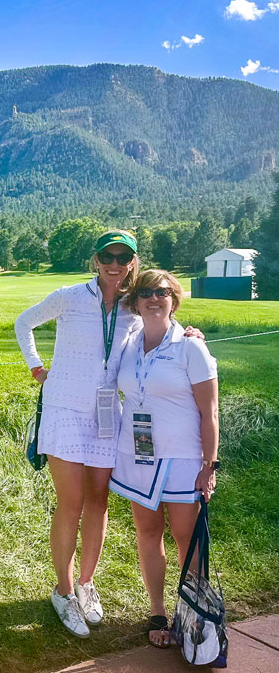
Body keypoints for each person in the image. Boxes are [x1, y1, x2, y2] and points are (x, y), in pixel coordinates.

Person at [15, 230, 142, 638]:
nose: (114, 264)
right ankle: (64, 591)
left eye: (122, 257)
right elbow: (24, 322)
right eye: (108, 256)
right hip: (64, 409)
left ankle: (87, 584)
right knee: (71, 502)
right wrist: (36, 367)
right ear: (96, 259)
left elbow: (157, 332)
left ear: (132, 262)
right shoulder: (69, 296)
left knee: (98, 502)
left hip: (106, 413)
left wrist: (188, 335)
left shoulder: (134, 306)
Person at [109, 270, 218, 647]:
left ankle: (194, 615)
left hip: (183, 459)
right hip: (138, 456)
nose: (153, 299)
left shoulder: (191, 347)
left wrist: (209, 465)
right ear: (135, 301)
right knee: (148, 532)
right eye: (145, 292)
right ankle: (157, 612)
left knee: (186, 537)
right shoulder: (128, 343)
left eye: (162, 292)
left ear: (174, 300)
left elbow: (210, 412)